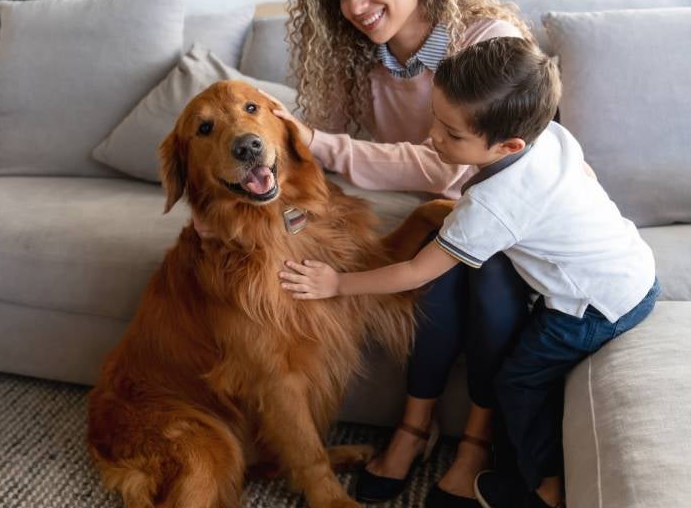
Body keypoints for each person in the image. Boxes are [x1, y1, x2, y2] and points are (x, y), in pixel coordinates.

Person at [279, 36, 659, 508]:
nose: (434, 138)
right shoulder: (554, 138)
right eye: (435, 118)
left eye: (452, 134)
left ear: (509, 144)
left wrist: (337, 283)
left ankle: (543, 484)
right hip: (634, 268)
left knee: (519, 380)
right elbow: (585, 178)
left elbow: (416, 272)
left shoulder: (491, 208)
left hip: (594, 305)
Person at [257, 0, 537, 506]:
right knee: (431, 267)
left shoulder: (487, 43)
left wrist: (322, 143)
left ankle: (473, 446)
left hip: (510, 221)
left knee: (482, 276)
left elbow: (448, 169)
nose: (355, 7)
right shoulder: (357, 58)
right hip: (445, 219)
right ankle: (415, 426)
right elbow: (313, 153)